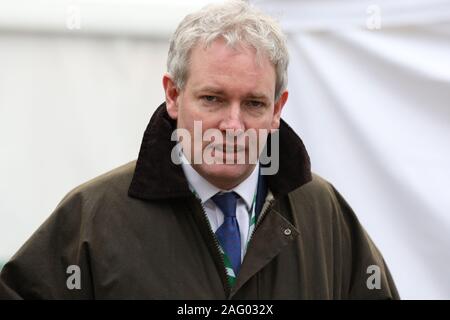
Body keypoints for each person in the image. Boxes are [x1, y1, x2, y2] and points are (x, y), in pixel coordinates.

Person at [0, 0, 399, 299]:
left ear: (277, 110)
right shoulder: (93, 217)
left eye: (254, 104)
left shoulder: (323, 213)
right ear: (173, 96)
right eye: (212, 99)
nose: (232, 124)